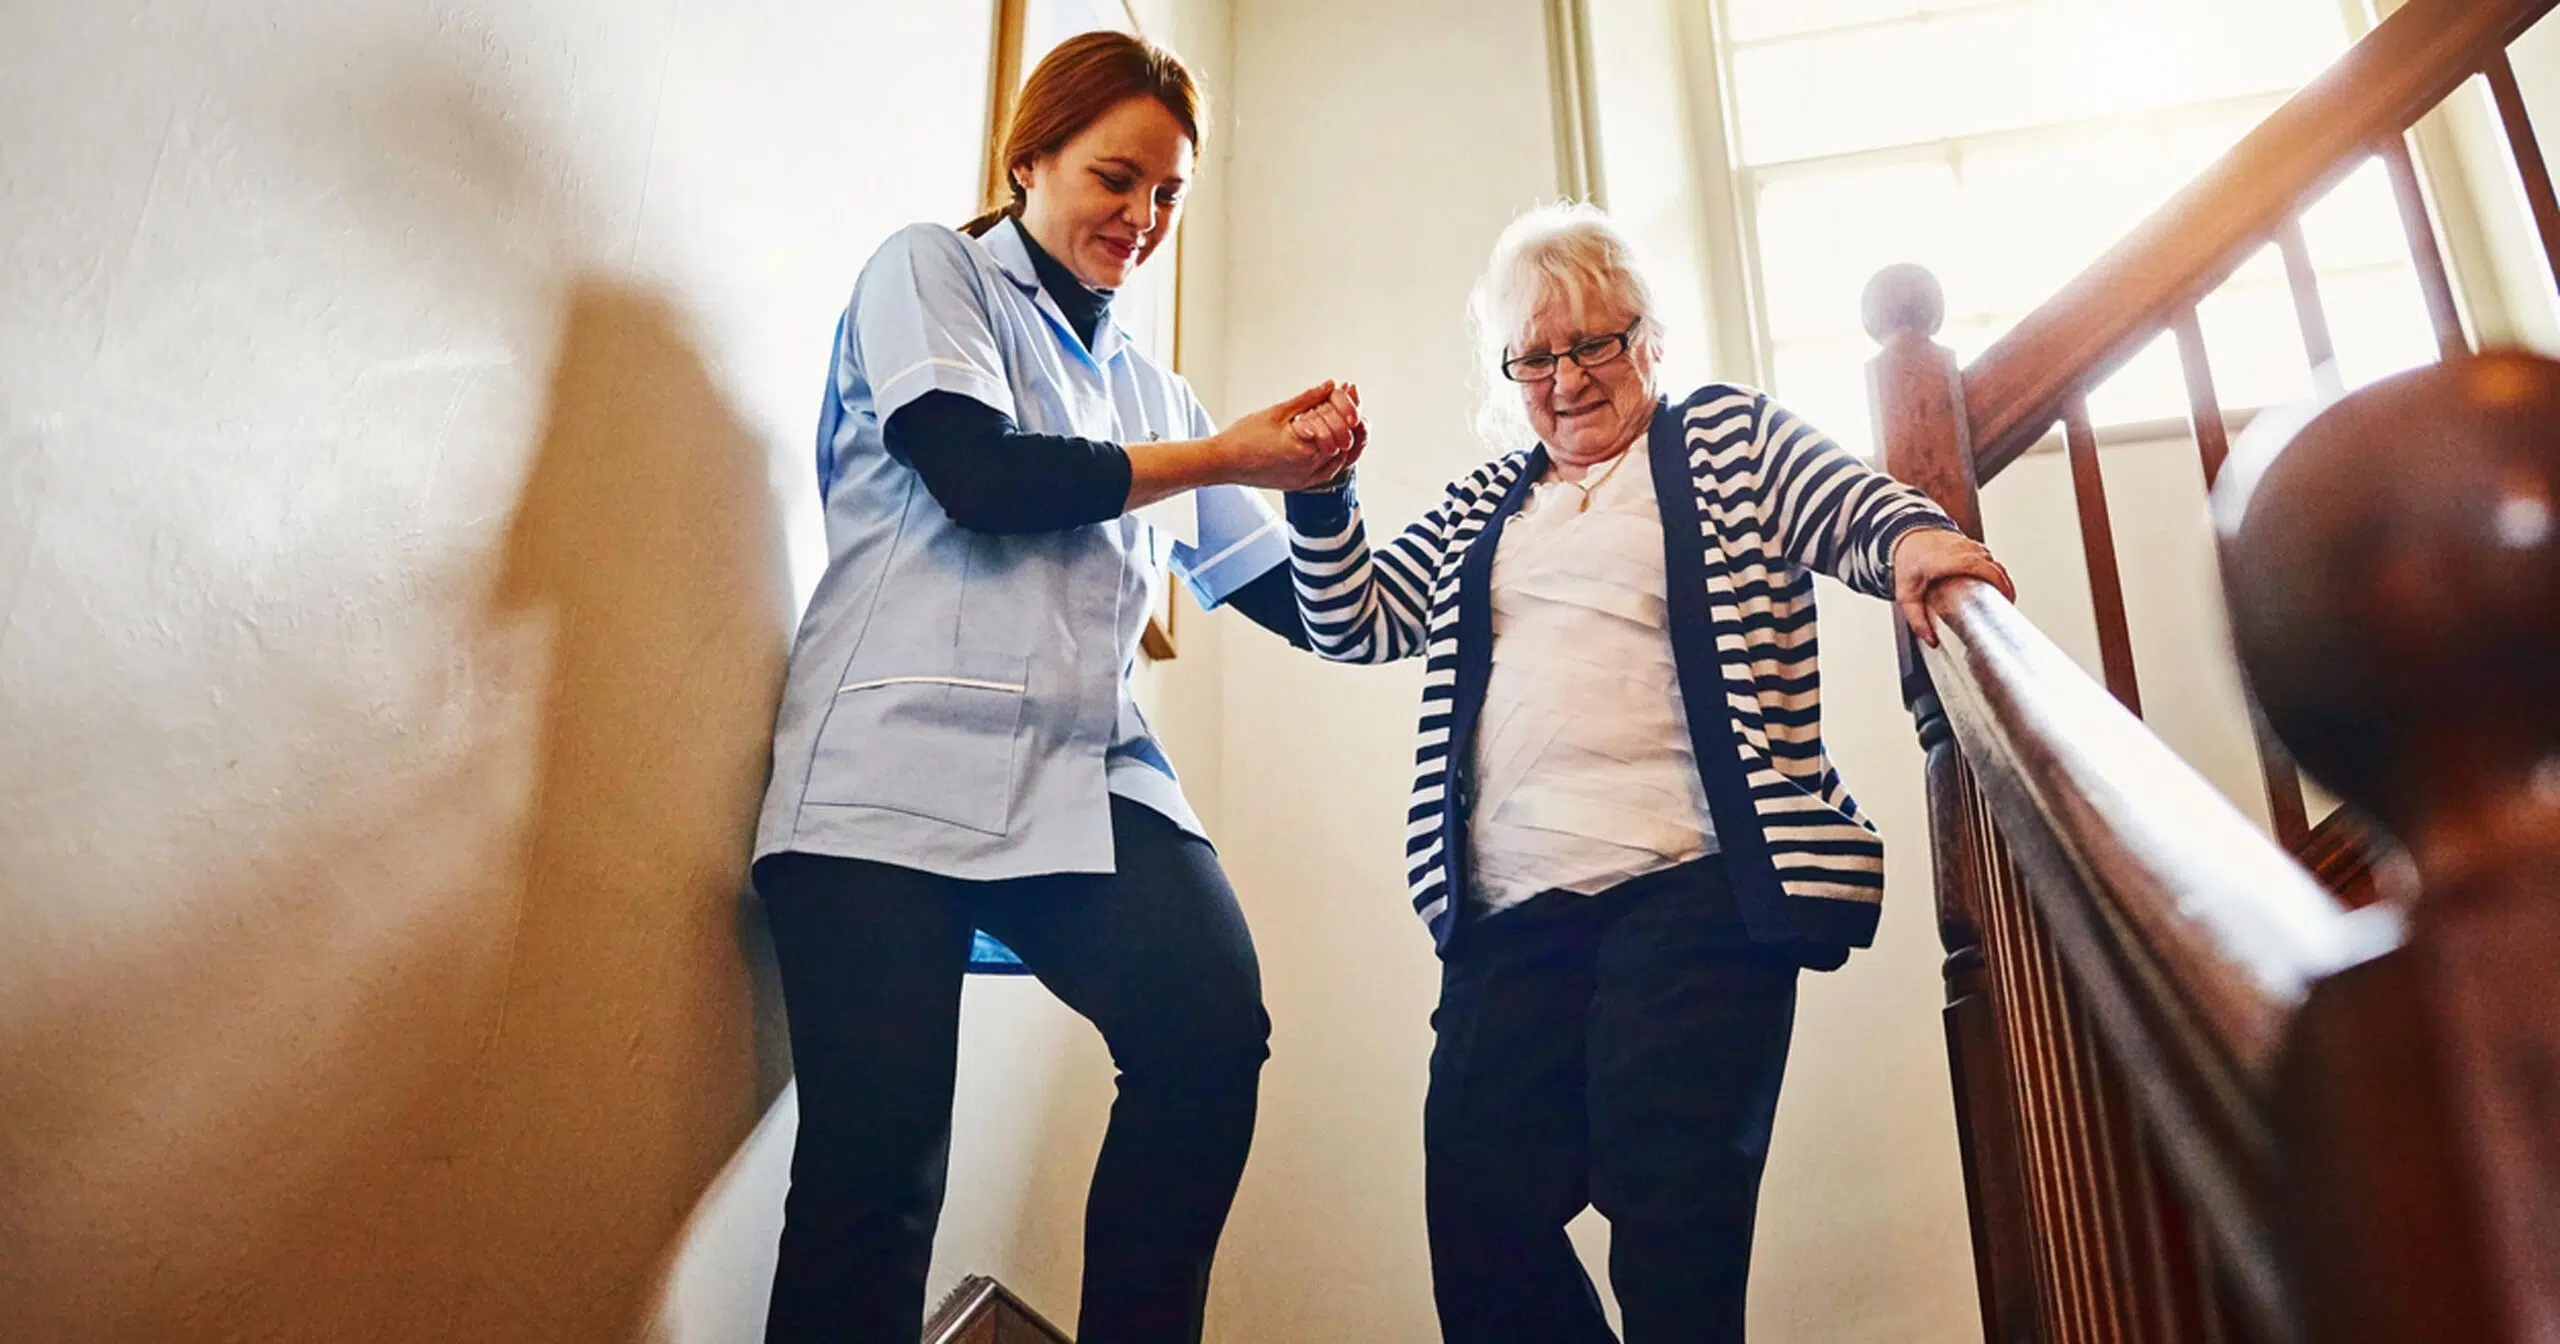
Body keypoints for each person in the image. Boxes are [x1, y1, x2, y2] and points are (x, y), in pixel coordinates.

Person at [1279, 203, 2011, 1343]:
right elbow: (1354, 620)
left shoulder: (1723, 437)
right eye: (1535, 355)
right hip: (1512, 911)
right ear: (1508, 370)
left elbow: (1850, 505)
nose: (1566, 377)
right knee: (1480, 1223)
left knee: (1672, 1221)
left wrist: (1916, 542)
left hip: (1695, 891)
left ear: (1648, 340)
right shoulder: (1489, 502)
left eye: (1594, 343)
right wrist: (1322, 496)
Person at [749, 31, 1359, 1344]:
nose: (1141, 218)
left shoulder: (1146, 379)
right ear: (1030, 158)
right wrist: (1220, 456)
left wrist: (1321, 482)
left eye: (1167, 196)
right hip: (887, 772)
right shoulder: (932, 272)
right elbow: (982, 475)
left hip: (1081, 772)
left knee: (1207, 1032)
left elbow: (1316, 611)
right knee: (879, 1175)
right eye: (1115, 179)